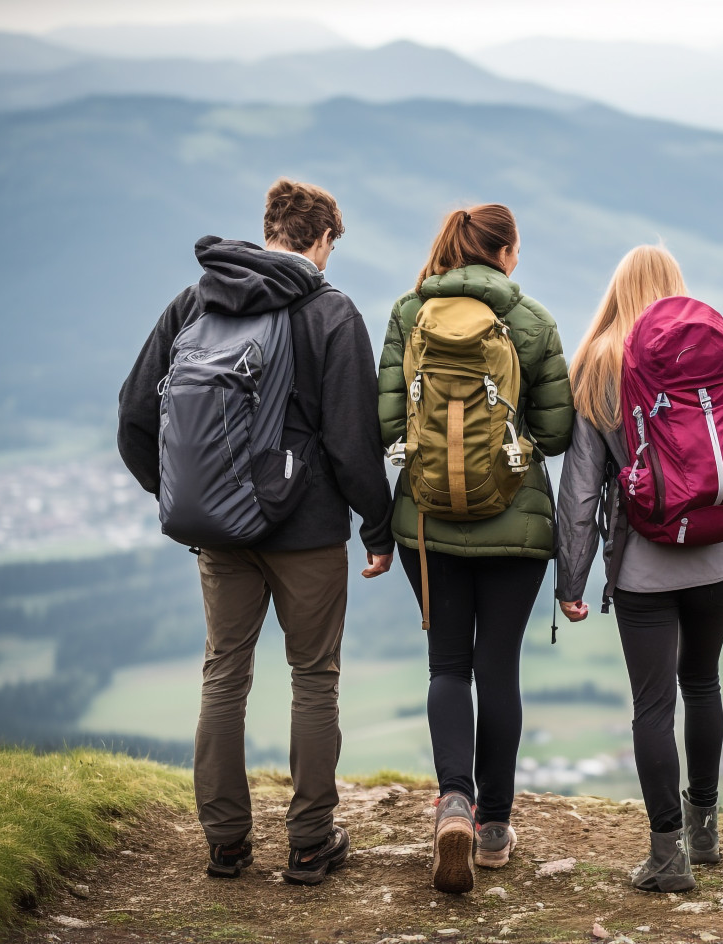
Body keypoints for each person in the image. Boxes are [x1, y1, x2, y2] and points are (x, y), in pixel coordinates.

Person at [117, 178, 394, 886]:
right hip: (307, 534)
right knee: (314, 679)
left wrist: (179, 492)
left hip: (222, 534)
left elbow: (133, 416)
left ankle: (227, 844)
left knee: (223, 676)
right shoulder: (330, 310)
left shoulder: (195, 302)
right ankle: (308, 842)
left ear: (269, 227)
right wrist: (379, 526)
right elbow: (352, 443)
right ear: (323, 239)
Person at [555, 245, 723, 892]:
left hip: (643, 567)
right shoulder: (718, 354)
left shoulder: (596, 367)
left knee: (653, 705)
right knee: (702, 683)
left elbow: (581, 491)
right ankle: (706, 833)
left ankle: (667, 856)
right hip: (719, 556)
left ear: (617, 292)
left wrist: (571, 581)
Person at [377, 204, 572, 894]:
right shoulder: (534, 320)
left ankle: (452, 801)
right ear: (507, 251)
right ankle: (493, 829)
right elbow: (556, 431)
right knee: (499, 669)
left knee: (447, 666)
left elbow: (385, 421)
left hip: (426, 526)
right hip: (515, 526)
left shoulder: (408, 313)